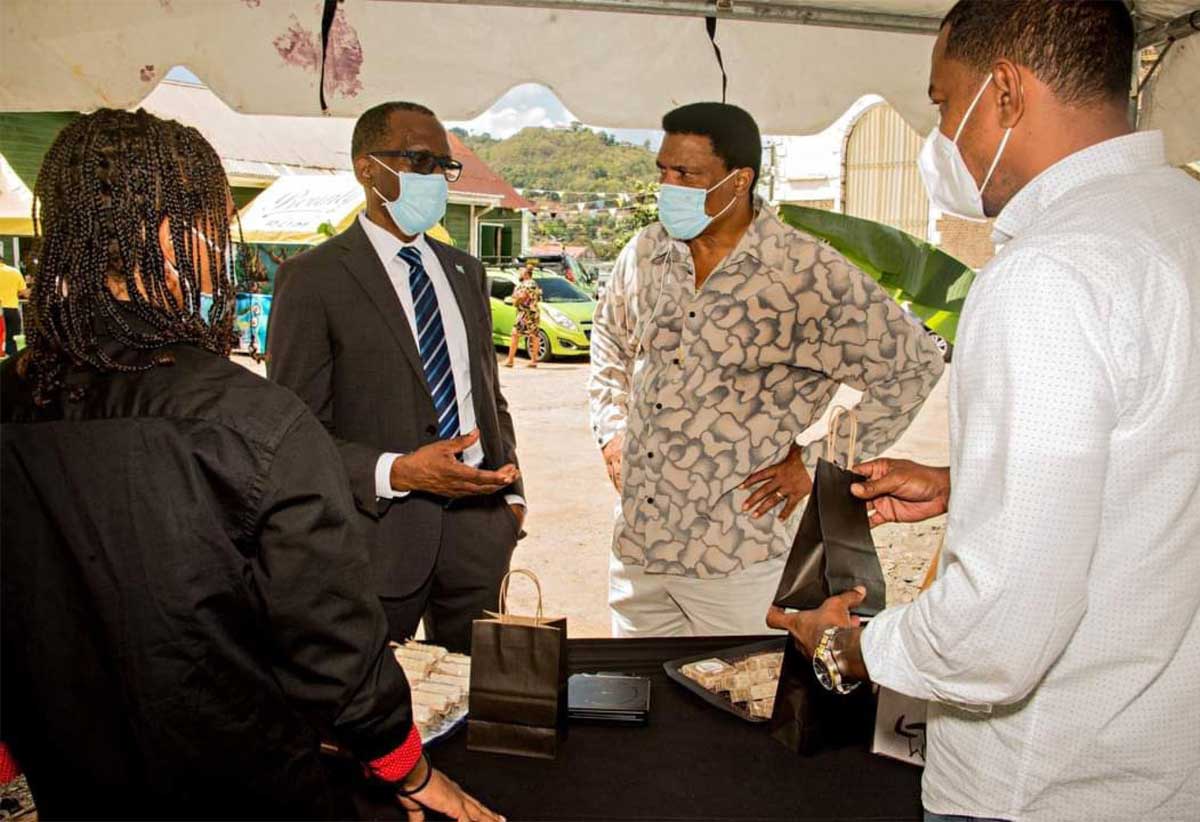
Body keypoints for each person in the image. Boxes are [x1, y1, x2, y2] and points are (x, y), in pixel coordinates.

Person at [0, 109, 499, 820]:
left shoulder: (13, 397)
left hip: (74, 772)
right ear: (173, 234)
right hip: (243, 778)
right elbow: (328, 639)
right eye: (212, 216)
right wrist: (408, 769)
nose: (219, 239)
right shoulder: (250, 421)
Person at [768, 2, 1200, 820]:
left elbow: (1000, 634)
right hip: (1166, 761)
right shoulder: (1181, 222)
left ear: (1003, 91)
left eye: (941, 103)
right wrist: (973, 486)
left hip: (1047, 781)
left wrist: (848, 646)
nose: (942, 138)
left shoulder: (1049, 274)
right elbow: (1164, 461)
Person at [588, 102, 944, 637]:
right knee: (646, 709)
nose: (669, 185)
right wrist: (612, 431)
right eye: (662, 169)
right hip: (639, 551)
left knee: (740, 707)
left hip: (738, 557)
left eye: (686, 174)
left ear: (739, 181)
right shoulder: (645, 253)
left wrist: (816, 461)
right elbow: (610, 340)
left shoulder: (807, 275)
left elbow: (914, 366)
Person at [269, 101, 526, 653]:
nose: (435, 178)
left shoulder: (466, 272)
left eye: (443, 166)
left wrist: (512, 500)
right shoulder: (312, 279)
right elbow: (294, 434)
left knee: (480, 704)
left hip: (479, 538)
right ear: (368, 168)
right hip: (377, 539)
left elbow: (487, 394)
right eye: (419, 160)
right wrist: (397, 472)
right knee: (378, 716)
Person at [504, 259, 543, 368]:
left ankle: (510, 360)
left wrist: (515, 301)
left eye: (521, 272)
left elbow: (522, 296)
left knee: (515, 334)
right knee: (534, 335)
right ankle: (533, 360)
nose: (519, 274)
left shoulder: (526, 284)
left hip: (525, 313)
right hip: (533, 312)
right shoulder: (534, 284)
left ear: (526, 273)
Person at [0, 258, 26, 357]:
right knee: (13, 338)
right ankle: (11, 358)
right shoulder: (15, 272)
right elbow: (23, 291)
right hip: (12, 308)